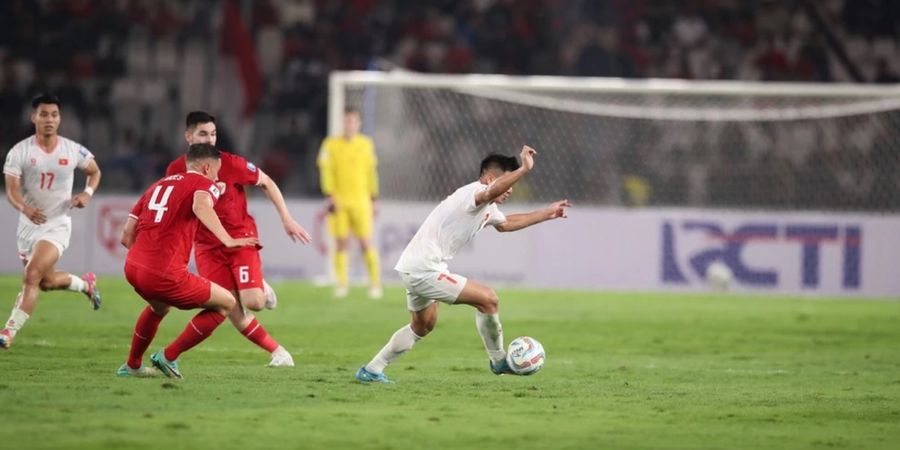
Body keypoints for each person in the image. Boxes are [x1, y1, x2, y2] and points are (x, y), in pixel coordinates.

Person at [355, 146, 571, 383]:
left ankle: (372, 370)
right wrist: (523, 169)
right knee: (488, 299)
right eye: (506, 183)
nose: (510, 190)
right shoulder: (474, 192)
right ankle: (498, 361)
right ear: (489, 179)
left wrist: (547, 213)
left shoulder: (488, 207)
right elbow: (488, 193)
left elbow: (506, 223)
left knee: (423, 325)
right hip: (423, 267)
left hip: (418, 266)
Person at [166, 111, 311, 367]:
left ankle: (262, 289)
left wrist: (286, 218)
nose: (209, 139)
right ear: (188, 136)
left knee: (253, 302)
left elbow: (267, 182)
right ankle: (279, 353)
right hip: (207, 247)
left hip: (240, 238)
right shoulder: (175, 169)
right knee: (229, 308)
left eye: (213, 134)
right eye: (203, 134)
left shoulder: (231, 163)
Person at [118, 143, 258, 378]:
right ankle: (168, 357)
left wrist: (145, 260)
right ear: (206, 167)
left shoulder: (158, 185)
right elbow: (200, 205)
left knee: (159, 307)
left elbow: (126, 235)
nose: (216, 177)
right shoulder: (204, 184)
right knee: (227, 302)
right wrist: (228, 239)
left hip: (133, 267)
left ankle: (132, 366)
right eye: (216, 171)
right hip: (163, 273)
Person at [0, 94, 102, 350]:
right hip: (27, 225)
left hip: (57, 225)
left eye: (54, 115)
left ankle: (7, 333)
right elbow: (11, 191)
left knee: (31, 275)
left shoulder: (72, 149)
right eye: (44, 114)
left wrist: (87, 194)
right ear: (33, 117)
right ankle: (85, 285)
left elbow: (94, 171)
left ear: (59, 119)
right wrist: (25, 207)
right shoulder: (19, 152)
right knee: (44, 282)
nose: (49, 119)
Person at [317, 107, 382, 299]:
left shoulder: (366, 144)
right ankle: (342, 284)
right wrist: (329, 195)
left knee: (365, 242)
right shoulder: (330, 145)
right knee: (341, 243)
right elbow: (326, 172)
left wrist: (374, 198)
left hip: (361, 201)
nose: (350, 124)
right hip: (339, 200)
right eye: (347, 121)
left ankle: (375, 284)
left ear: (359, 123)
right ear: (342, 123)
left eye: (353, 121)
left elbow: (371, 173)